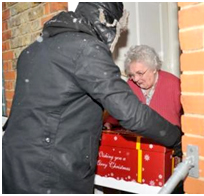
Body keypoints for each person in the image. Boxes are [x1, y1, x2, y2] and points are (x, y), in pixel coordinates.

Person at [2, 3, 182, 194]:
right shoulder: (87, 49)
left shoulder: (33, 50)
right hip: (52, 172)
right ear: (107, 22)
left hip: (15, 164)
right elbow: (131, 113)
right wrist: (177, 139)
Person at [104, 45, 182, 129]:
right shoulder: (131, 84)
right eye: (132, 75)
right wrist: (109, 122)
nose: (136, 79)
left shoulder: (175, 85)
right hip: (138, 140)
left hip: (168, 139)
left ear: (154, 68)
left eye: (140, 73)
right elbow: (121, 109)